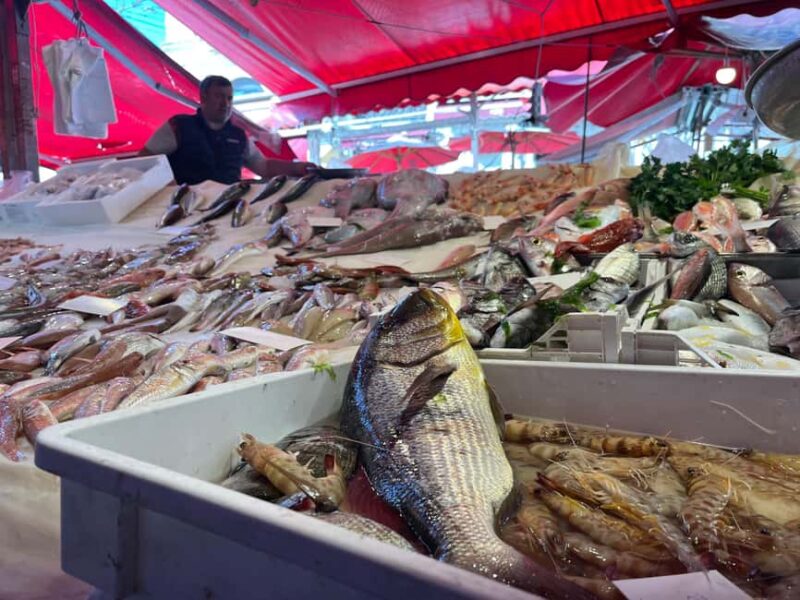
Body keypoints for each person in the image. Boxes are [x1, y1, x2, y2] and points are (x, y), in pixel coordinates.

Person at [140, 75, 315, 185]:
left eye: (230, 98)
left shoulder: (238, 135)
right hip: (188, 208)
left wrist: (297, 168)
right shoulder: (178, 126)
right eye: (219, 96)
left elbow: (264, 167)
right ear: (203, 98)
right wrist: (169, 186)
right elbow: (143, 160)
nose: (225, 103)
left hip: (229, 206)